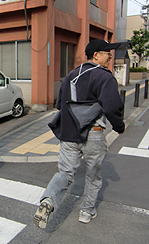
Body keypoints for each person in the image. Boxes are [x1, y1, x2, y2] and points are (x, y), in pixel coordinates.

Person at [34, 39, 125, 229]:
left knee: (65, 173)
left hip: (68, 132)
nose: (110, 56)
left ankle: (48, 201)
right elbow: (112, 106)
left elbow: (60, 104)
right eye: (106, 52)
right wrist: (119, 126)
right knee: (93, 174)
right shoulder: (104, 77)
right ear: (95, 55)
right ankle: (86, 211)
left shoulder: (71, 75)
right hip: (94, 132)